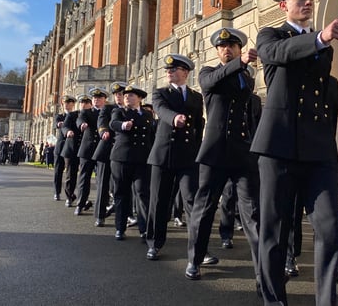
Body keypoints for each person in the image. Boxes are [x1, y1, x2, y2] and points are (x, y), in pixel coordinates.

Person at [250, 0, 338, 306]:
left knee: (330, 226)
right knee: (275, 231)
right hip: (279, 146)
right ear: (283, 4)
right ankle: (275, 299)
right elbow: (279, 54)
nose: (307, 2)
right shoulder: (270, 35)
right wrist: (319, 38)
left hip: (317, 149)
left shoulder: (325, 47)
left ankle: (326, 300)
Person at [185, 28, 261, 285]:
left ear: (240, 48)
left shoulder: (247, 79)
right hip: (215, 151)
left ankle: (264, 269)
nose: (226, 49)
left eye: (232, 46)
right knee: (204, 208)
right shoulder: (209, 72)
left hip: (242, 152)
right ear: (217, 51)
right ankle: (195, 259)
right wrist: (239, 64)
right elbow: (211, 82)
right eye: (222, 46)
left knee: (252, 211)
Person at [146, 54, 205, 260]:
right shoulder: (160, 93)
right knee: (159, 201)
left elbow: (199, 125)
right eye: (168, 70)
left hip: (188, 156)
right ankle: (154, 243)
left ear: (186, 72)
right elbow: (161, 110)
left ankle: (199, 248)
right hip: (164, 155)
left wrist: (198, 151)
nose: (169, 72)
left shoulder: (196, 97)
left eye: (174, 69)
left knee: (192, 200)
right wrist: (174, 118)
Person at [109, 85, 155, 241]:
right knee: (121, 193)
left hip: (142, 159)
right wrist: (123, 125)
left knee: (143, 193)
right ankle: (120, 228)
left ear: (140, 99)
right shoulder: (119, 111)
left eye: (131, 95)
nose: (127, 97)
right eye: (126, 95)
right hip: (122, 158)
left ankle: (144, 229)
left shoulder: (148, 114)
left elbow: (152, 135)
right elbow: (113, 123)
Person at [92, 82, 126, 227]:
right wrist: (103, 131)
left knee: (122, 185)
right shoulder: (108, 108)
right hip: (107, 150)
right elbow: (101, 121)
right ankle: (99, 215)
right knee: (103, 185)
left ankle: (124, 215)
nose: (119, 97)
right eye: (116, 94)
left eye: (121, 94)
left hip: (123, 153)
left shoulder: (131, 110)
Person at [74, 87, 108, 215]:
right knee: (83, 178)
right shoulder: (86, 112)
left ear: (104, 100)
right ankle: (80, 203)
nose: (96, 100)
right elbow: (80, 119)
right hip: (87, 149)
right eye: (94, 98)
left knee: (102, 180)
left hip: (102, 149)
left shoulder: (108, 112)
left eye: (99, 98)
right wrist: (81, 124)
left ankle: (102, 207)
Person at [62, 95, 89, 207]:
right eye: (82, 101)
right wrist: (67, 131)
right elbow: (65, 126)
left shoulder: (92, 115)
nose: (84, 104)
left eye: (87, 102)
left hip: (86, 149)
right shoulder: (73, 115)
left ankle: (83, 198)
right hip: (71, 148)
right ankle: (69, 196)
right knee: (70, 175)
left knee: (84, 175)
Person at [53, 95, 76, 200]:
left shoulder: (76, 116)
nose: (66, 105)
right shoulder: (60, 116)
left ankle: (69, 194)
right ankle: (57, 192)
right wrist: (59, 124)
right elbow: (56, 124)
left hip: (70, 147)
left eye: (69, 103)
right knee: (58, 170)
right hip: (61, 146)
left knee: (70, 172)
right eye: (65, 103)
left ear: (73, 104)